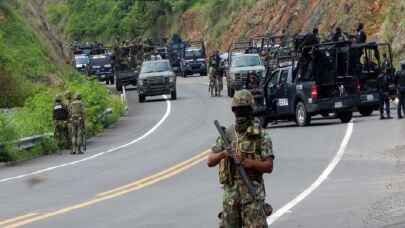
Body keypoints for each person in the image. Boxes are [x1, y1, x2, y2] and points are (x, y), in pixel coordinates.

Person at [207, 90, 274, 228]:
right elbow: (210, 161)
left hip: (252, 196)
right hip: (231, 198)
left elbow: (269, 166)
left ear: (250, 111)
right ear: (233, 111)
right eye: (237, 110)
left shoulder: (261, 135)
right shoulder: (228, 135)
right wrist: (224, 154)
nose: (240, 114)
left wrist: (249, 163)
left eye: (243, 110)